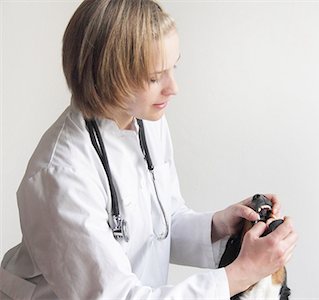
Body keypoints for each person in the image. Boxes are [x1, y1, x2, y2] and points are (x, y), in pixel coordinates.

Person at [0, 0, 298, 299]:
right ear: (108, 76)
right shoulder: (60, 176)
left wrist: (220, 227)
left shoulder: (145, 119)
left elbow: (157, 227)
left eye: (173, 67)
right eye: (155, 77)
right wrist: (242, 273)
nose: (173, 88)